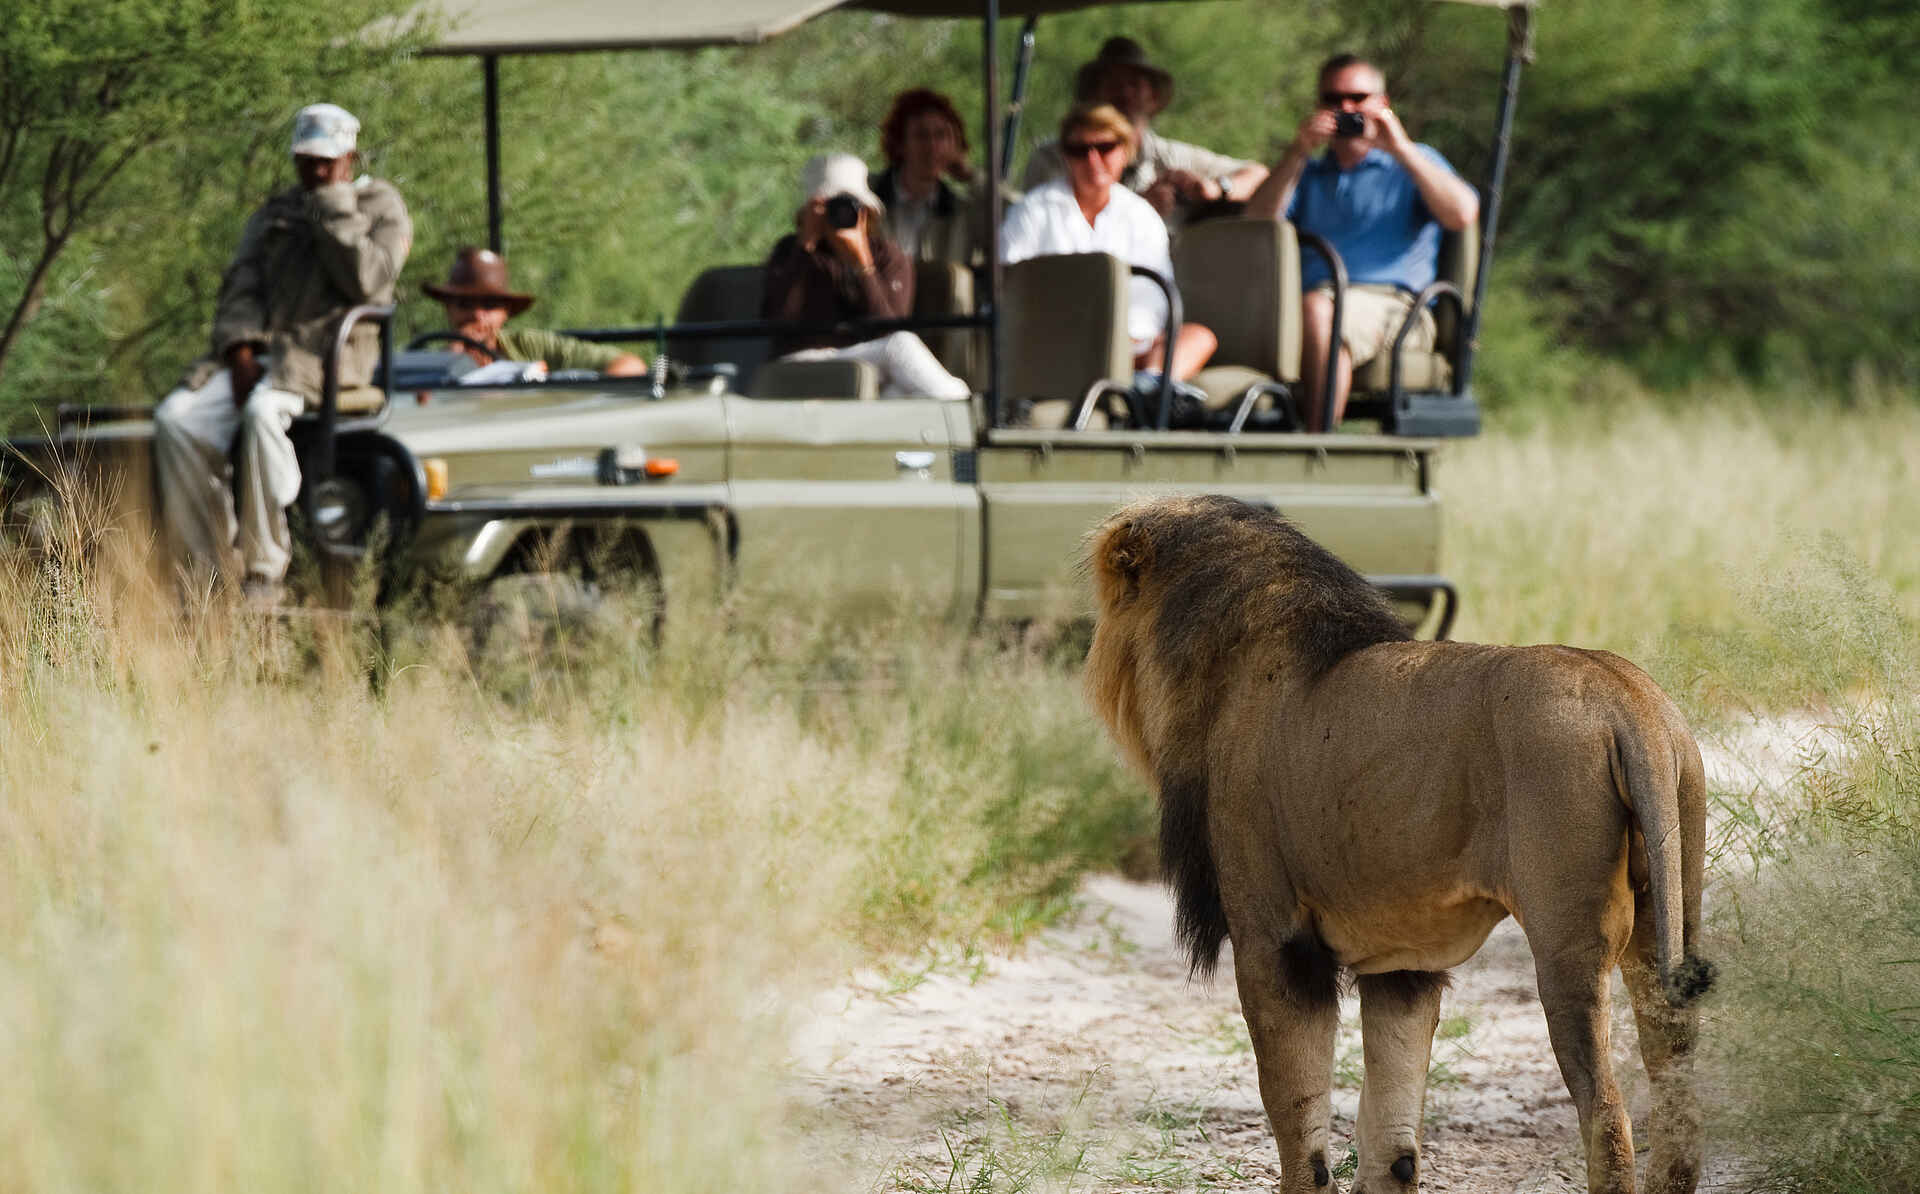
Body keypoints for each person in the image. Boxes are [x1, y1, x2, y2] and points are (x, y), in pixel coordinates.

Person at [152, 102, 412, 604]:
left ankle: (265, 568)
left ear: (349, 157)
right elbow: (241, 284)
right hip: (265, 357)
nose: (315, 169)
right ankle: (204, 570)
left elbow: (367, 281)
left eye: (326, 160)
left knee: (263, 412)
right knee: (177, 419)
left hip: (329, 361)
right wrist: (240, 347)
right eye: (306, 159)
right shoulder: (276, 212)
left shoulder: (380, 205)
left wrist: (335, 205)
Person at [1244, 54, 1479, 432]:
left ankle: (1316, 445)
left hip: (1397, 307)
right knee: (1298, 311)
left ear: (1383, 104)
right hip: (1309, 301)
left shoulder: (1416, 161)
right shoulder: (1309, 172)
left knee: (1320, 312)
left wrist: (1400, 148)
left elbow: (1462, 214)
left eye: (1358, 98)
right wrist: (1297, 151)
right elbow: (1254, 225)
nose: (1346, 109)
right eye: (1332, 100)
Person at [1002, 103, 1217, 397]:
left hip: (1126, 347)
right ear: (1066, 155)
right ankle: (1150, 391)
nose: (1093, 160)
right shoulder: (1032, 211)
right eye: (1080, 150)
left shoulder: (1141, 215)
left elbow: (1153, 297)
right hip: (1052, 347)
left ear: (1125, 151)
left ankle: (1149, 387)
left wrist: (1122, 339)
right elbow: (1010, 288)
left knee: (1198, 337)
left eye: (1104, 147)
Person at [760, 152, 970, 399]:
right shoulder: (790, 252)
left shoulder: (887, 256)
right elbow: (776, 322)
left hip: (870, 363)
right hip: (801, 362)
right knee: (900, 345)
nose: (838, 214)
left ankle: (954, 409)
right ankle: (961, 403)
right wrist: (805, 248)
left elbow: (887, 326)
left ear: (865, 210)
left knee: (895, 393)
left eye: (848, 205)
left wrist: (863, 264)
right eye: (827, 206)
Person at [1021, 37, 1267, 228]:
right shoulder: (1056, 157)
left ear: (1153, 98)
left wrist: (1213, 188)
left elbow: (1259, 175)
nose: (1125, 94)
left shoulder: (1168, 155)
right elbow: (1048, 226)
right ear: (1093, 96)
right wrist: (1137, 208)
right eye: (1114, 84)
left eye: (1135, 85)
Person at [423, 247, 647, 377]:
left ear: (506, 312)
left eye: (490, 305)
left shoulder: (530, 346)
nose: (478, 315)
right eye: (465, 304)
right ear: (448, 308)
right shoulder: (425, 363)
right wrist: (451, 360)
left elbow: (630, 365)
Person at [869, 89, 985, 266]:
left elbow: (1016, 227)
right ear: (900, 144)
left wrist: (971, 176)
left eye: (941, 136)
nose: (932, 147)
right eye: (921, 136)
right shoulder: (869, 196)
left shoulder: (962, 211)